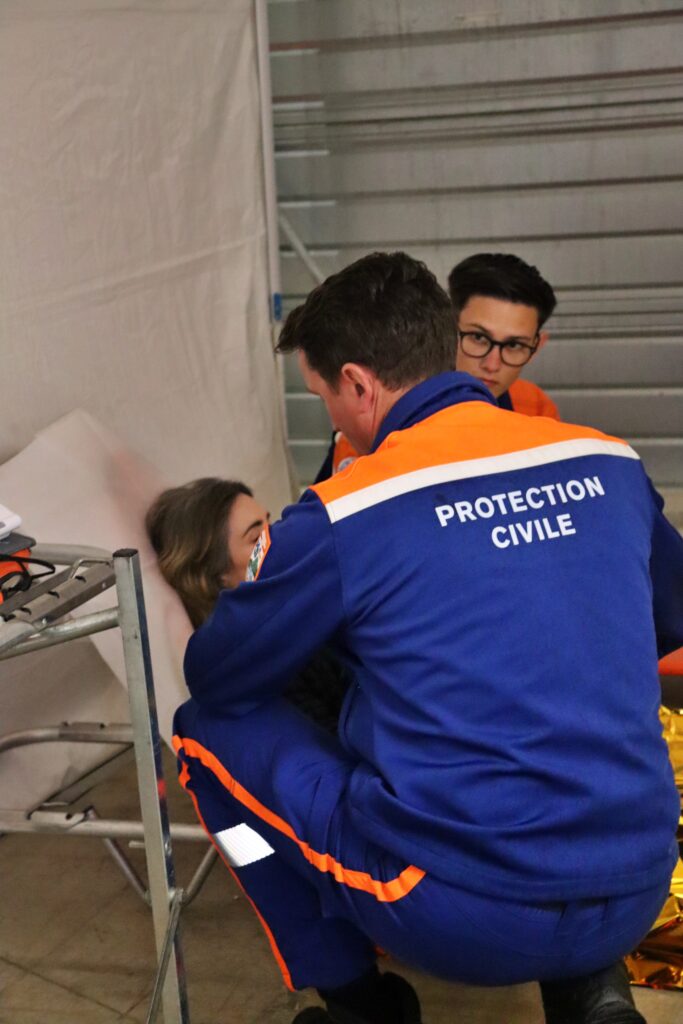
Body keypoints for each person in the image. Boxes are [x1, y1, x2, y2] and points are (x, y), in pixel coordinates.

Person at [173, 252, 683, 1024]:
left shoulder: (345, 510)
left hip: (464, 914)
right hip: (640, 884)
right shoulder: (606, 460)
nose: (332, 417)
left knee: (202, 731)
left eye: (321, 397)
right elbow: (667, 618)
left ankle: (358, 1000)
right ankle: (592, 992)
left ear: (355, 383)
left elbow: (218, 677)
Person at [315, 251, 558, 481]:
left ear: (537, 346)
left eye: (514, 345)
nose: (492, 364)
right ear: (446, 328)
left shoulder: (534, 406)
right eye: (478, 338)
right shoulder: (379, 412)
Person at [145, 478, 348, 732]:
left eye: (272, 525)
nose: (278, 539)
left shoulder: (303, 609)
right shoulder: (265, 667)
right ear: (216, 575)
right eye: (256, 539)